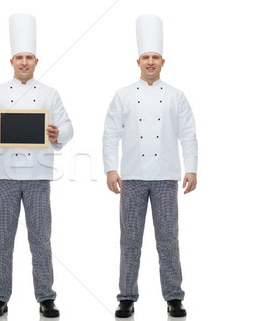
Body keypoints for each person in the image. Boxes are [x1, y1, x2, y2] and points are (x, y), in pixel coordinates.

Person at [0, 13, 73, 318]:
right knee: (3, 238)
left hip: (39, 176)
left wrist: (58, 133)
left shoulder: (49, 94)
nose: (24, 62)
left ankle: (46, 296)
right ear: (12, 60)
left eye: (29, 57)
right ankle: (0, 296)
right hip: (4, 176)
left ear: (36, 61)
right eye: (20, 57)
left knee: (40, 237)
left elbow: (68, 127)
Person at [102, 14, 198, 318]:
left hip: (166, 177)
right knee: (129, 239)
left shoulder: (176, 96)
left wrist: (191, 169)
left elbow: (189, 135)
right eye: (146, 57)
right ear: (138, 61)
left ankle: (174, 296)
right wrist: (110, 169)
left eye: (155, 57)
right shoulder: (122, 95)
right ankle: (126, 296)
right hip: (131, 177)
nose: (151, 62)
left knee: (168, 239)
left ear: (163, 61)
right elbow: (110, 134)